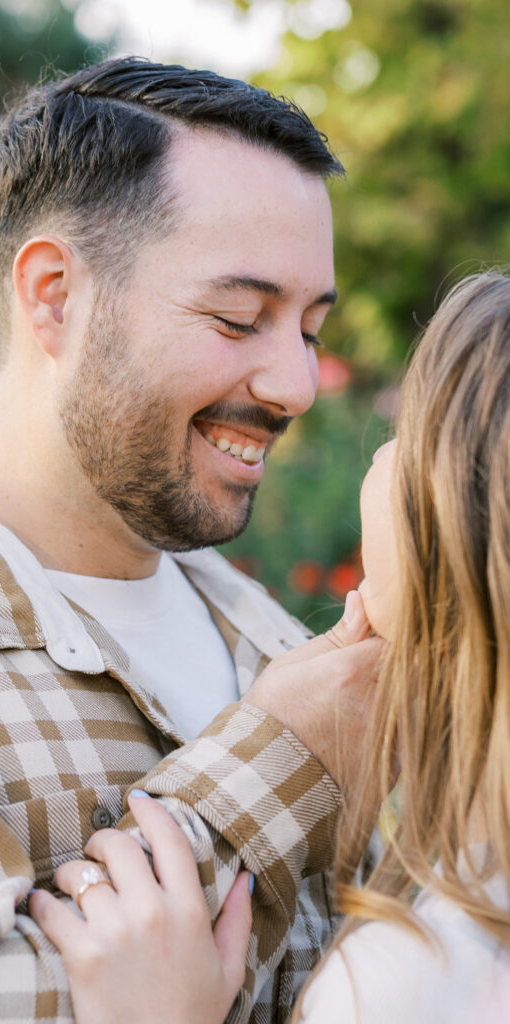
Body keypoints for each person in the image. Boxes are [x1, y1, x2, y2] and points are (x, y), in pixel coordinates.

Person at [0, 57, 382, 1022]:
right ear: (55, 293)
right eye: (239, 318)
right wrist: (284, 761)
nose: (296, 386)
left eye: (307, 330)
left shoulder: (271, 634)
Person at [30, 271, 510, 1023]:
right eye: (235, 318)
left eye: (403, 437)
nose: (300, 387)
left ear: (457, 529)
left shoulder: (411, 978)